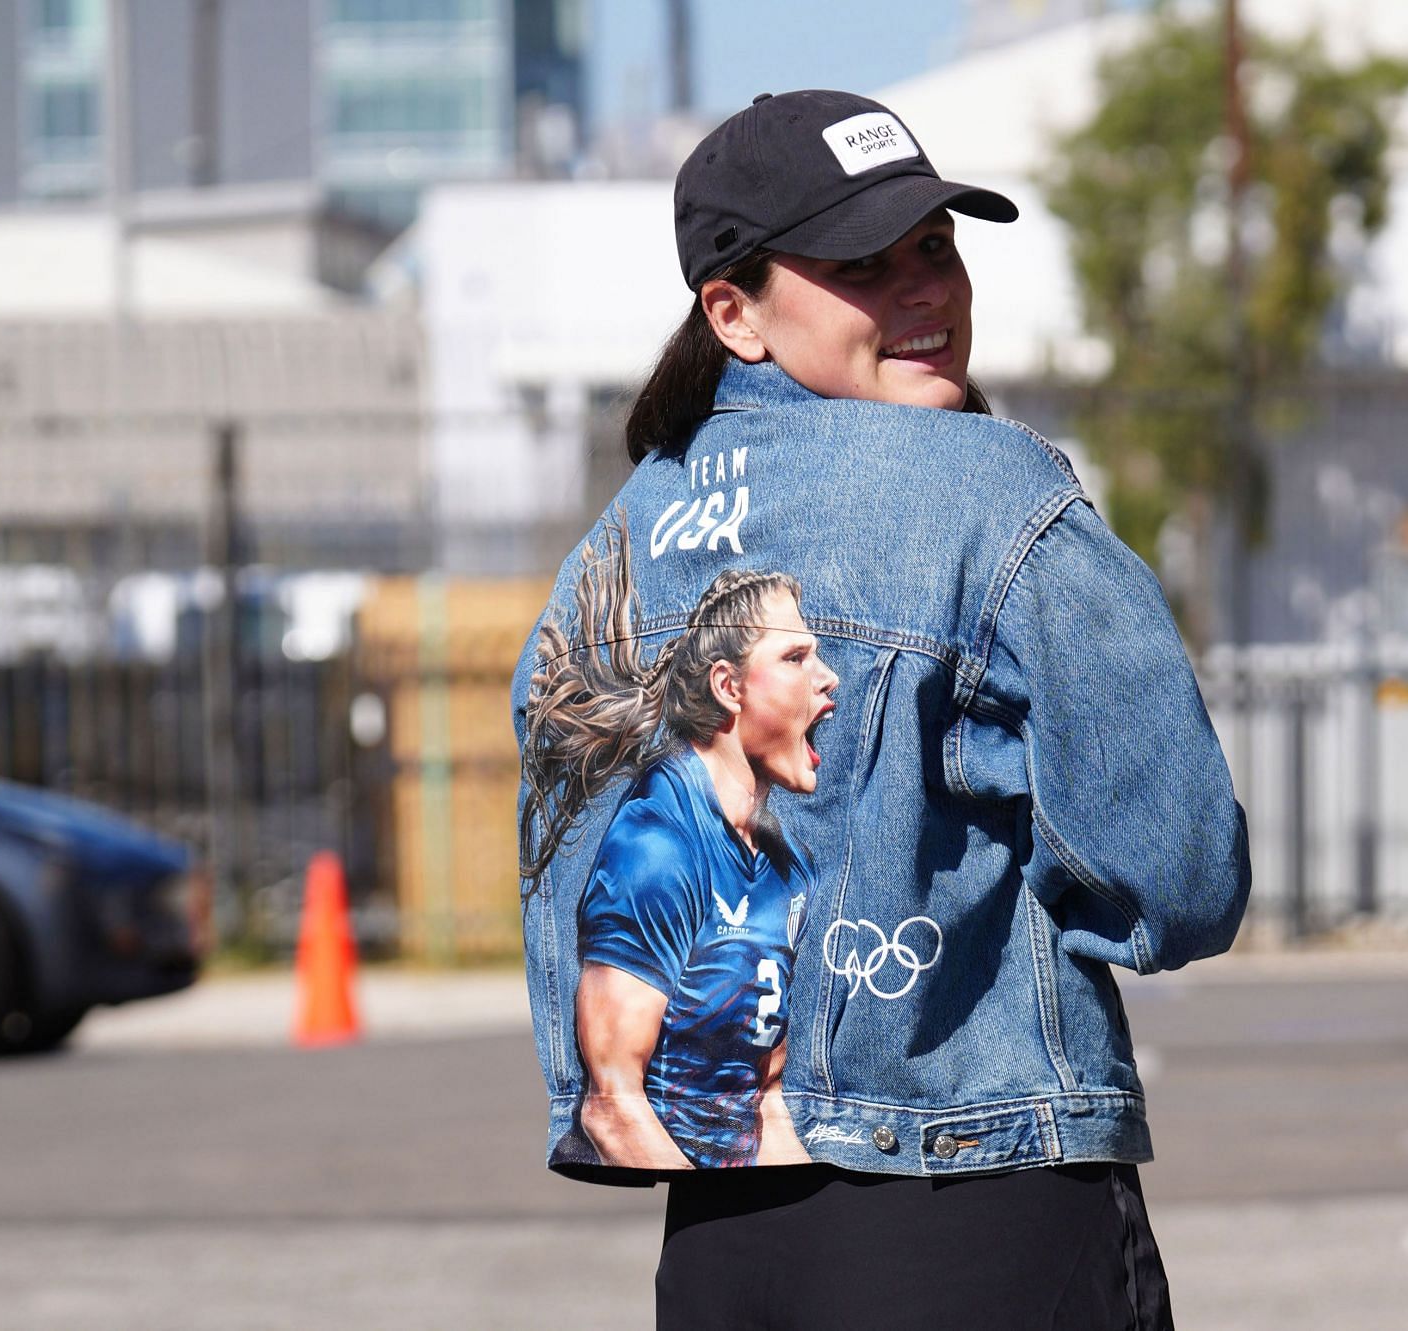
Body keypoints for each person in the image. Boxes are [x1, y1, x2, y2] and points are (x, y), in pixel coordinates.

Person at [513, 89, 1250, 1330]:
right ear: (732, 310)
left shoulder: (617, 544)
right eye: (862, 261)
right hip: (980, 1195)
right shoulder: (991, 490)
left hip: (724, 1240)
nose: (926, 290)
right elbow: (1181, 873)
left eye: (935, 245)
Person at [522, 532, 836, 1169]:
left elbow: (763, 1100)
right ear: (729, 686)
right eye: (796, 658)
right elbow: (612, 1105)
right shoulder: (656, 851)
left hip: (744, 1189)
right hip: (701, 1206)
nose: (829, 678)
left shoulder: (782, 864)